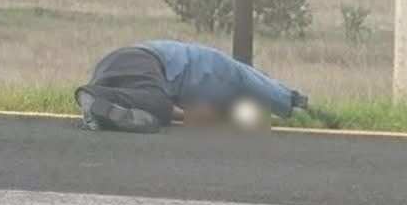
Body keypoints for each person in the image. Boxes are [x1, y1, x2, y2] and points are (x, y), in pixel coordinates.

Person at [75, 40, 310, 133]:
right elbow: (259, 82)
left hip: (114, 71)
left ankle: (99, 110)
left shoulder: (217, 92)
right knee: (158, 103)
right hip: (140, 61)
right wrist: (293, 102)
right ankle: (93, 95)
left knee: (150, 121)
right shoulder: (230, 72)